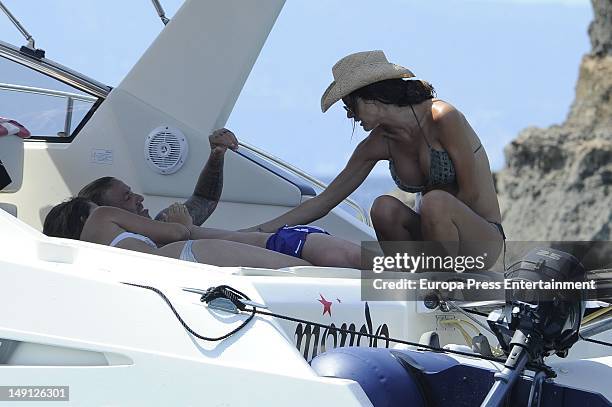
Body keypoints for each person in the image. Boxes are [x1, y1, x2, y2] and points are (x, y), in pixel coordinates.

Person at [247, 50, 505, 265]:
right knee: (383, 207)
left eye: (350, 106)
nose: (350, 116)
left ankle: (443, 288)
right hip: (433, 240)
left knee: (435, 201)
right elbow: (325, 201)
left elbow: (470, 193)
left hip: (479, 238)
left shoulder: (442, 117)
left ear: (372, 98)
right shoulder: (377, 144)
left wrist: (434, 228)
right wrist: (261, 231)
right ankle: (410, 284)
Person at [77, 128, 361, 268]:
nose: (138, 198)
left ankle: (407, 268)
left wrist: (216, 156)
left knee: (377, 265)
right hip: (284, 244)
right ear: (111, 212)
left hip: (284, 240)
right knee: (373, 268)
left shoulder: (166, 223)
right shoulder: (164, 231)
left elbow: (204, 199)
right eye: (127, 197)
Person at [43, 197, 312, 269]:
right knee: (306, 269)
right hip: (189, 256)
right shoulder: (104, 218)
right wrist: (183, 223)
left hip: (179, 269)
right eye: (126, 196)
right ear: (83, 218)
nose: (137, 197)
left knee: (305, 269)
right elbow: (180, 231)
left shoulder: (86, 260)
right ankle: (358, 287)